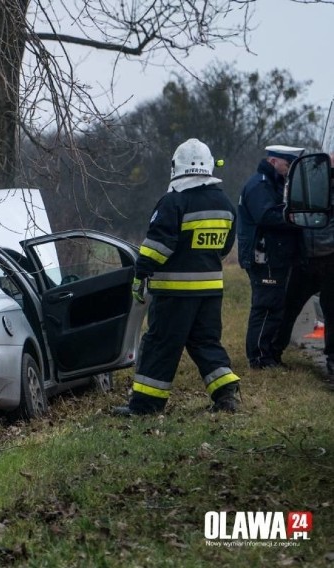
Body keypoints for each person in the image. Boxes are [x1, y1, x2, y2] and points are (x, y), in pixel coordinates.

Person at [113, 138, 241, 416]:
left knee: (159, 345)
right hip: (210, 291)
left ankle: (145, 407)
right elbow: (224, 247)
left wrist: (141, 271)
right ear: (208, 165)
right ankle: (226, 395)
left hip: (174, 293)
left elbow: (159, 245)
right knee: (206, 342)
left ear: (176, 167)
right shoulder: (224, 202)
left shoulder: (174, 201)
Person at [236, 144, 304, 369]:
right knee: (266, 306)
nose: (289, 169)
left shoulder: (272, 183)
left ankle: (267, 356)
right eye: (287, 164)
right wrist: (296, 219)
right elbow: (266, 216)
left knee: (274, 306)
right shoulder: (260, 185)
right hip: (264, 257)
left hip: (275, 256)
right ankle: (258, 358)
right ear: (274, 161)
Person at [272, 152, 334, 387]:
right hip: (305, 259)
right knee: (288, 308)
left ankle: (332, 361)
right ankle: (273, 352)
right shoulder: (308, 188)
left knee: (331, 313)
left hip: (330, 259)